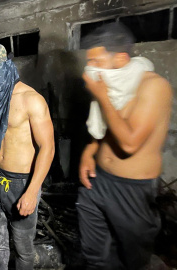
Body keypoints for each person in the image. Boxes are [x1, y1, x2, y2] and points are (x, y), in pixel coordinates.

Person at [77, 22, 173, 270]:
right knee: (94, 255)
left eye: (97, 61)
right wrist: (90, 150)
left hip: (132, 189)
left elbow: (129, 143)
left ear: (120, 58)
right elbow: (105, 126)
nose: (90, 69)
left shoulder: (153, 86)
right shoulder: (116, 83)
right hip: (98, 180)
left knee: (134, 260)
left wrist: (101, 95)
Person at [0, 41, 54, 270]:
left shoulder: (32, 100)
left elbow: (48, 148)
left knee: (22, 247)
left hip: (21, 183)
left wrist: (32, 190)